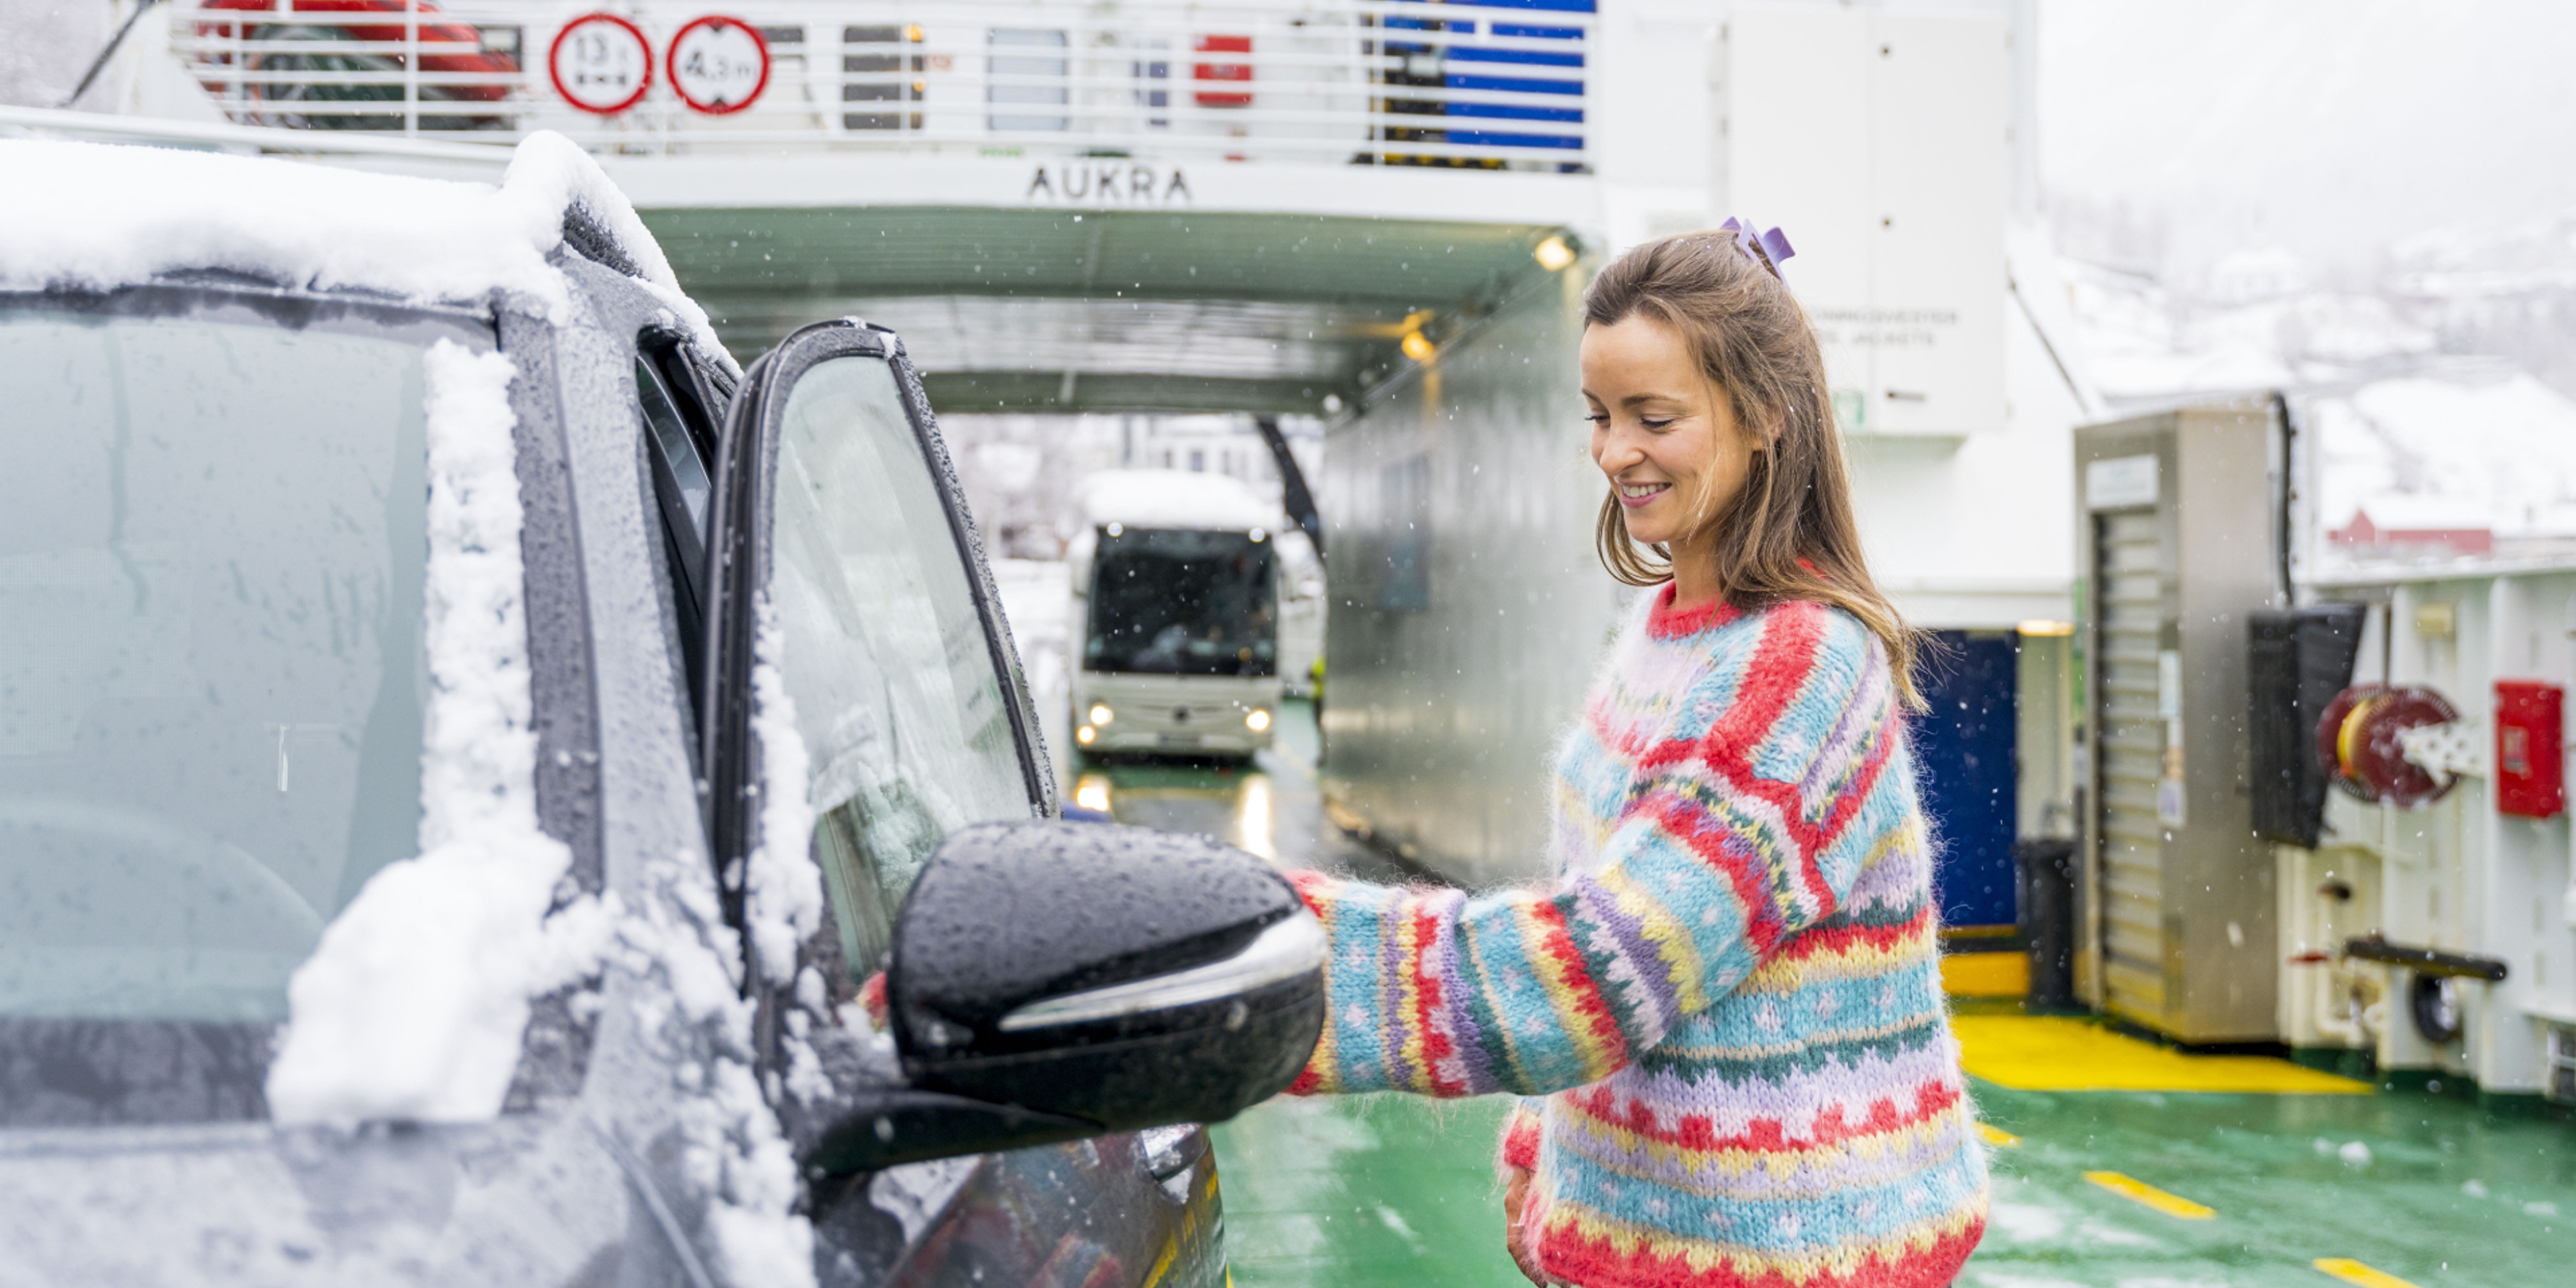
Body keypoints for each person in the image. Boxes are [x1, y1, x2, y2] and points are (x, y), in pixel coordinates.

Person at [1281, 228, 1989, 1287]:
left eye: (1655, 419)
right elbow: (1600, 895)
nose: (1616, 454)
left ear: (1765, 420)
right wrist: (1544, 1155)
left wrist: (1264, 959)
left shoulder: (1795, 665)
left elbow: (1611, 962)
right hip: (1654, 1251)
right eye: (1600, 417)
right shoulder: (1666, 631)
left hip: (1783, 1259)